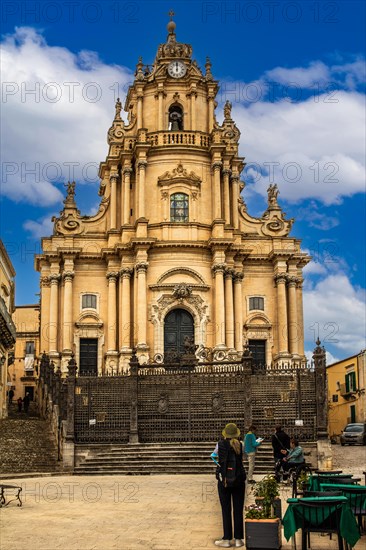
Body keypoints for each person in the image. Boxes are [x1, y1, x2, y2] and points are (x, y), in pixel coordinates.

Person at [211, 423, 246, 548]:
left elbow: (214, 455)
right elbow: (243, 459)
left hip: (224, 479)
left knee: (226, 509)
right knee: (238, 509)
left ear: (225, 434)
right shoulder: (241, 445)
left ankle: (226, 539)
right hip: (238, 480)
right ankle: (238, 539)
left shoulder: (220, 444)